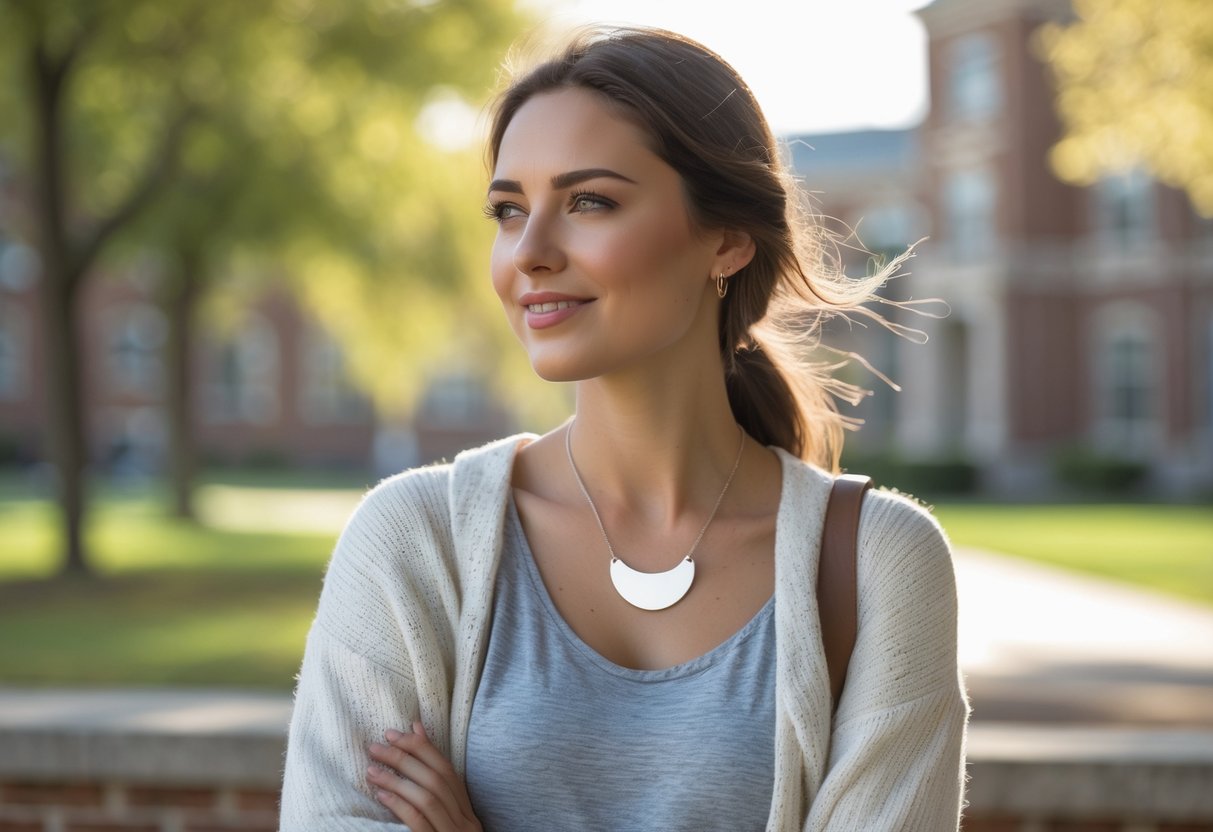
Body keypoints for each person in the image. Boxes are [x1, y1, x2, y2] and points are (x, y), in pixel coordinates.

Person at [280, 26, 970, 832]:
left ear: (726, 239)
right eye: (508, 210)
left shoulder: (877, 565)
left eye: (589, 202)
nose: (528, 253)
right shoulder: (411, 544)